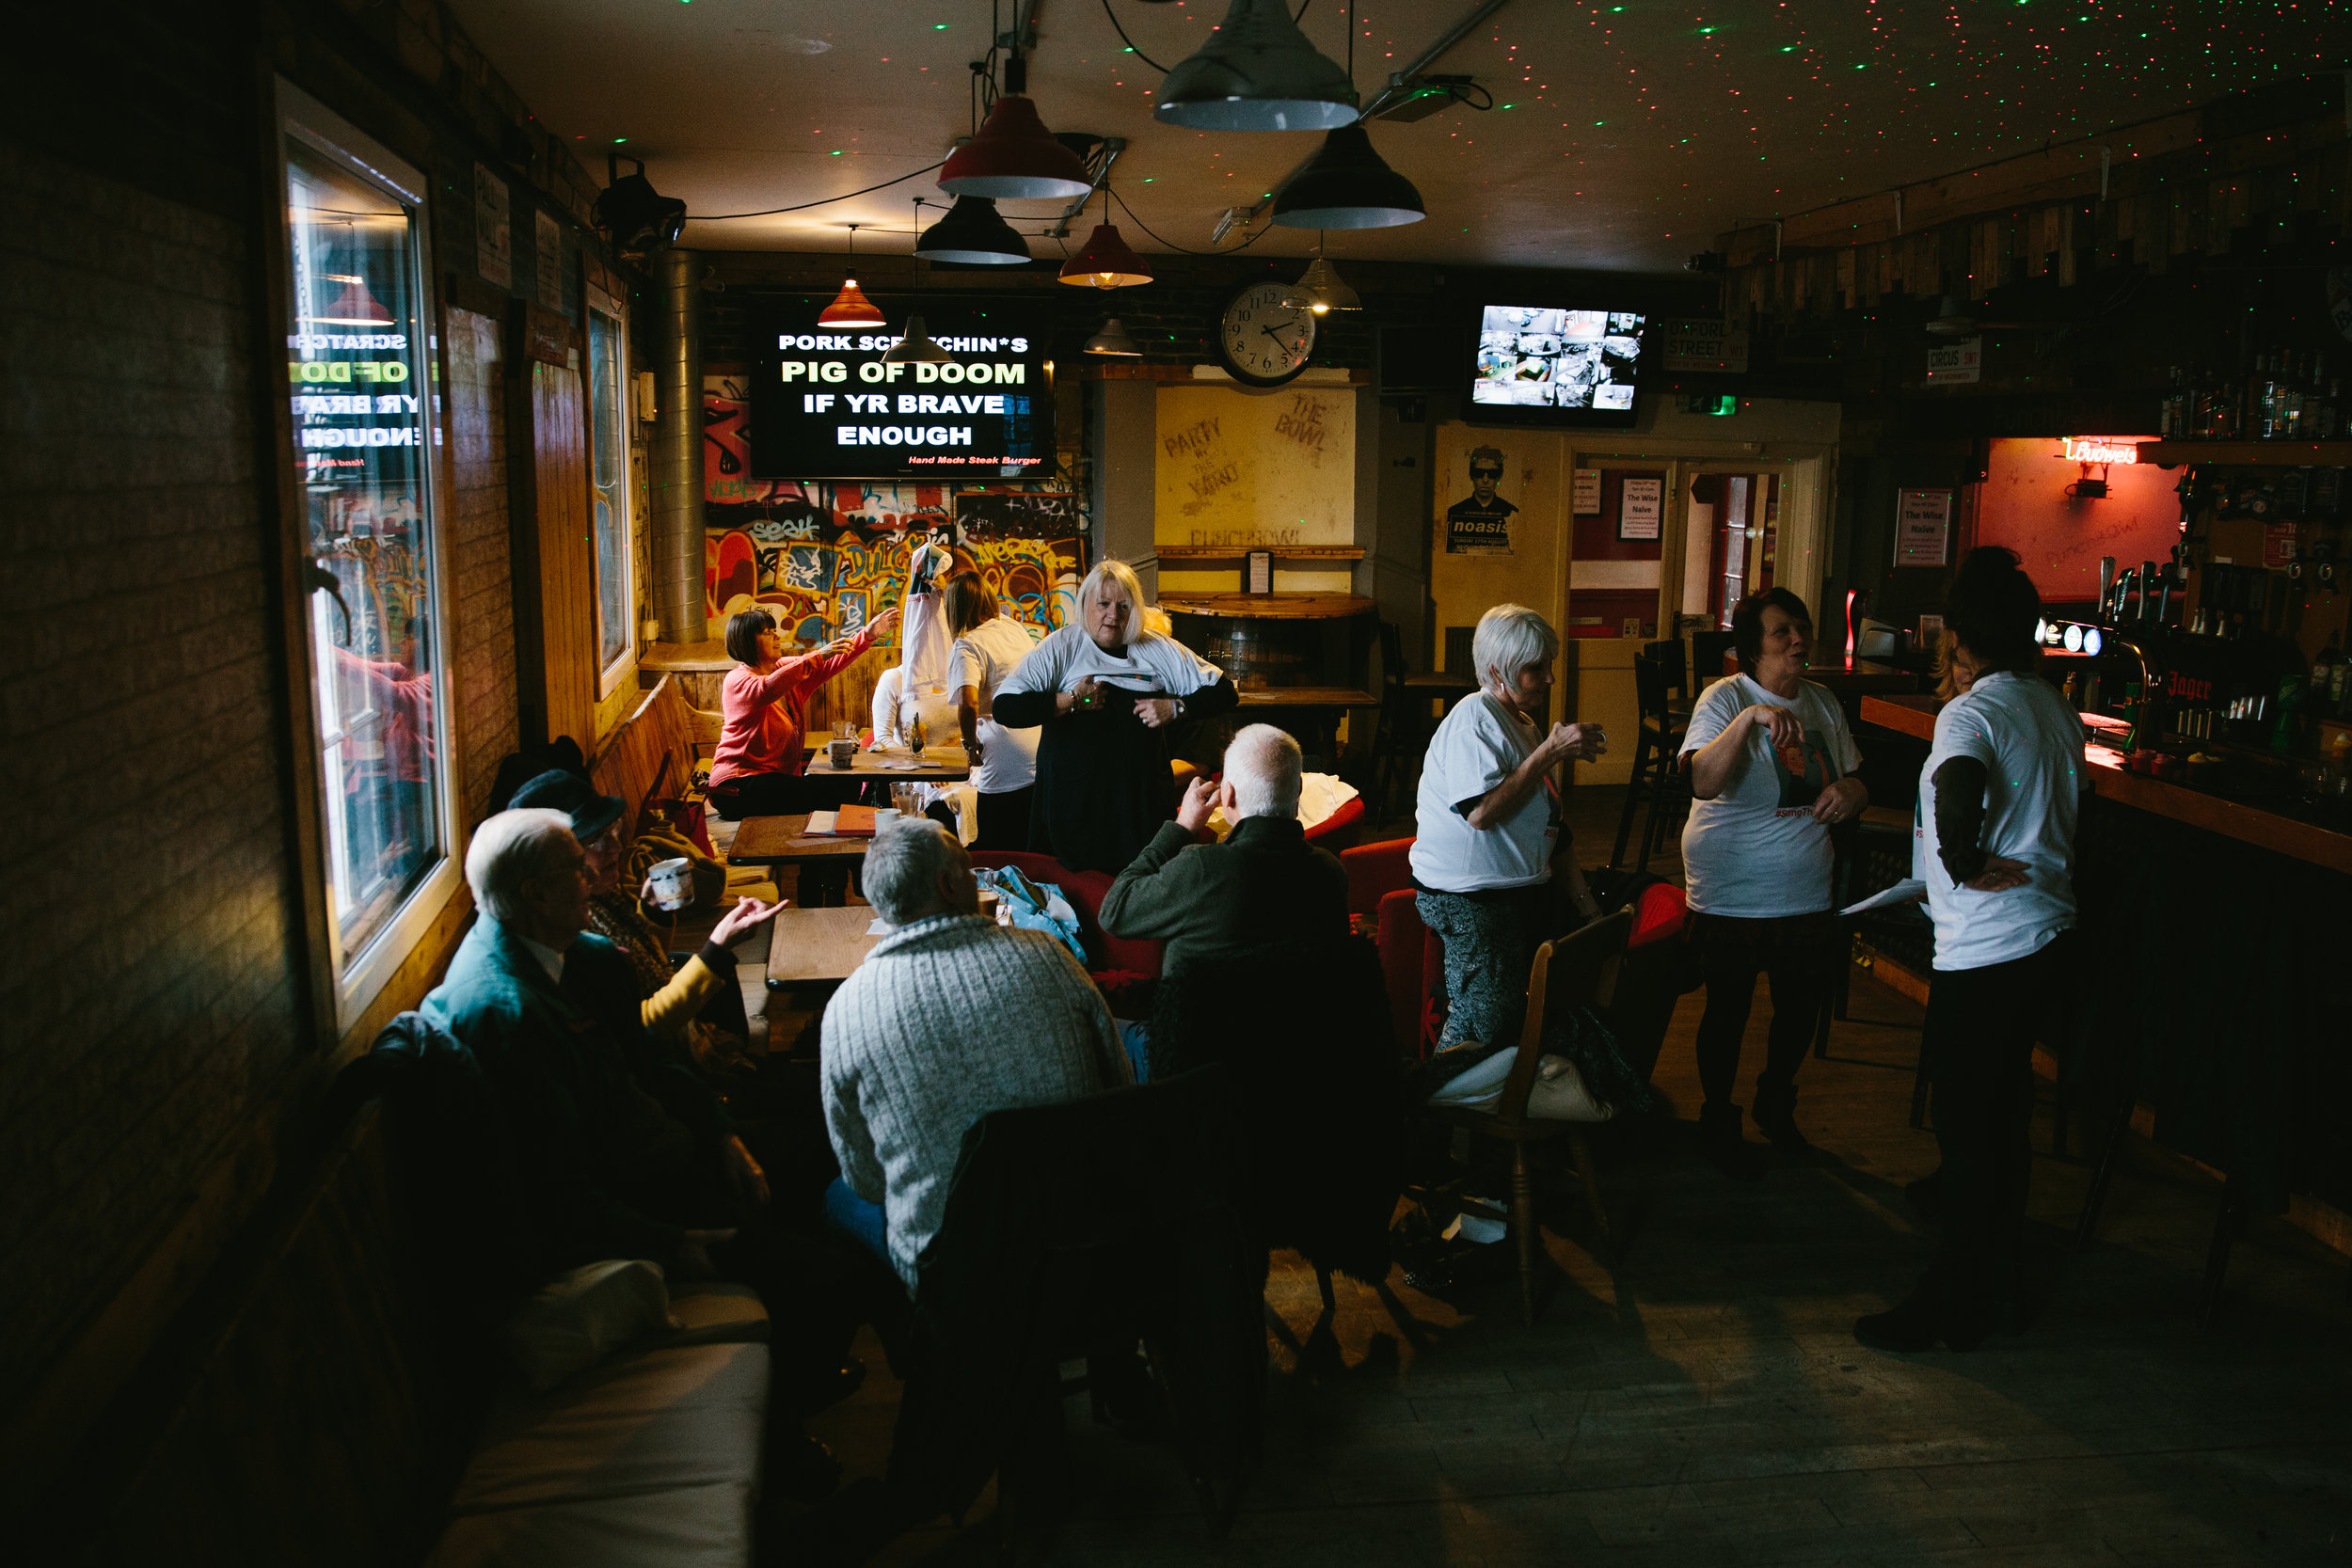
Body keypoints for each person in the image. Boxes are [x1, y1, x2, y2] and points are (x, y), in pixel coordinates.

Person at [1856, 548, 2086, 1353]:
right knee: (2005, 1118)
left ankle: (1955, 1297)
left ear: (1962, 634)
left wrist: (1959, 859)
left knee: (1965, 1127)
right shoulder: (2052, 708)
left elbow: (1957, 787)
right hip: (2047, 937)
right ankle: (2004, 1281)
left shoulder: (1970, 711)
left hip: (1987, 949)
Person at [819, 819, 1128, 1291]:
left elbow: (866, 1180)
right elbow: (1118, 1091)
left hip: (958, 1275)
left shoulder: (845, 1009)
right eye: (970, 872)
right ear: (947, 886)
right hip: (1082, 1243)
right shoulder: (1048, 955)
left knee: (838, 1198)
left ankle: (919, 1347)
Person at [1676, 587, 1868, 1175]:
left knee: (1797, 1007)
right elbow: (1702, 782)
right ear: (1750, 648)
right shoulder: (1723, 697)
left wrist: (1851, 793)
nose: (1798, 640)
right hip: (1731, 886)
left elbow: (1857, 779)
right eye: (1782, 631)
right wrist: (1750, 719)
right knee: (1728, 1006)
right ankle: (1717, 1112)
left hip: (1804, 886)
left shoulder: (1823, 703)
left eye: (1802, 628)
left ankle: (1776, 1100)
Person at [1409, 604, 1607, 1058]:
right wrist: (1549, 754)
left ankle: (1484, 1106)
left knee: (1519, 1013)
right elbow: (1480, 813)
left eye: (1548, 666)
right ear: (1499, 672)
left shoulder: (1520, 722)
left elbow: (1555, 825)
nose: (1550, 679)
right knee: (1483, 1019)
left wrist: (1587, 906)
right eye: (1536, 669)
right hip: (1469, 898)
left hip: (1509, 894)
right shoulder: (1473, 720)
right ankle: (1437, 1113)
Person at [507, 768, 782, 1070]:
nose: (617, 847)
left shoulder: (600, 898)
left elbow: (649, 961)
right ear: (557, 858)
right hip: (655, 1066)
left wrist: (653, 912)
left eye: (614, 831)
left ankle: (739, 1057)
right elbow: (638, 1027)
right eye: (598, 840)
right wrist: (716, 948)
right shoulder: (566, 930)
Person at [990, 560, 1238, 874]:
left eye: (1123, 605)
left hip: (1138, 810)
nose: (1113, 615)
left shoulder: (1156, 648)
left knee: (1139, 893)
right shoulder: (1062, 647)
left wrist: (1174, 707)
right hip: (1070, 810)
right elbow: (1006, 708)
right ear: (1085, 605)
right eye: (1103, 604)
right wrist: (1071, 701)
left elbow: (1225, 691)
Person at [1099, 723, 1347, 975]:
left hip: (1199, 1014)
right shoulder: (1331, 871)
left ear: (1227, 795)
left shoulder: (1202, 868)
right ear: (1299, 793)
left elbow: (1114, 911)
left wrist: (1182, 827)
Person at [707, 602, 901, 819]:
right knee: (825, 793)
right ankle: (868, 818)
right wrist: (819, 655)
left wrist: (868, 634)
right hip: (735, 786)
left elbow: (828, 663)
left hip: (773, 781)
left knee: (842, 786)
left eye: (774, 631)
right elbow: (768, 688)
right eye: (767, 633)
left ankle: (868, 817)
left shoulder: (784, 670)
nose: (776, 637)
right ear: (746, 642)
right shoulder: (738, 680)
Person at [943, 571, 1044, 851]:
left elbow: (969, 702)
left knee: (995, 850)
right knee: (1031, 851)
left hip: (1005, 759)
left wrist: (970, 746)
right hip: (1040, 751)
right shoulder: (1013, 628)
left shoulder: (967, 645)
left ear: (953, 609)